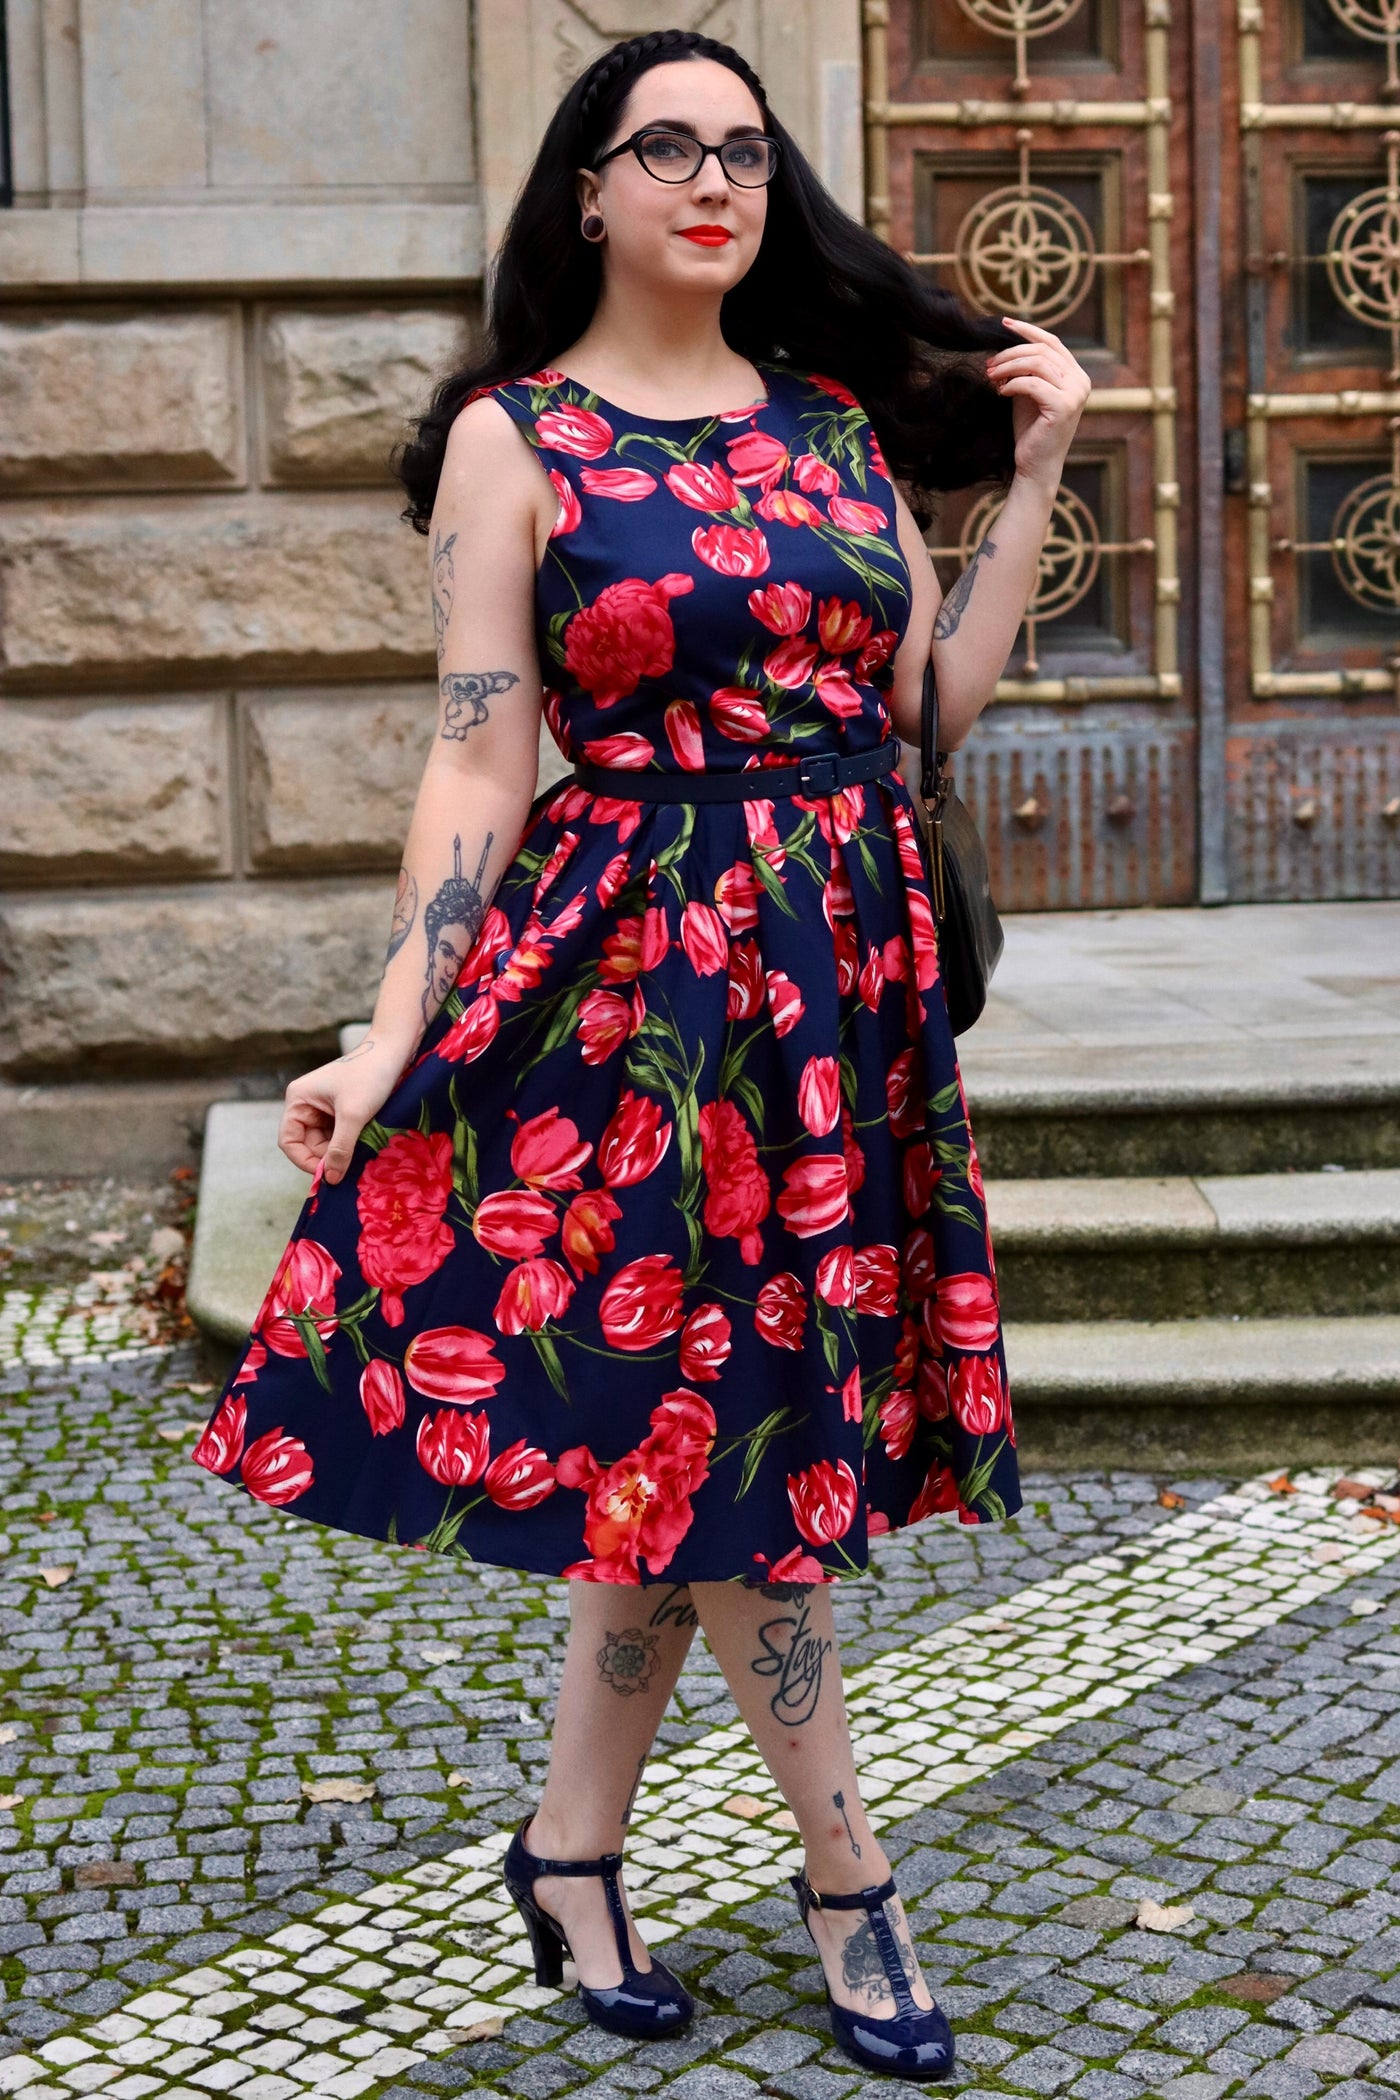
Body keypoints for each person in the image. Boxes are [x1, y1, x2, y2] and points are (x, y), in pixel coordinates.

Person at [191, 25, 1090, 2081]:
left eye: (745, 153)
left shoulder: (841, 427)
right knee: (743, 1444)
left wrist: (1028, 479)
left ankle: (571, 1844)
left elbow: (931, 715)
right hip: (633, 994)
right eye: (661, 146)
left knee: (695, 1440)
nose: (711, 179)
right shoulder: (521, 438)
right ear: (584, 189)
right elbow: (472, 768)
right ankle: (849, 1876)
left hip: (835, 986)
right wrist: (387, 1026)